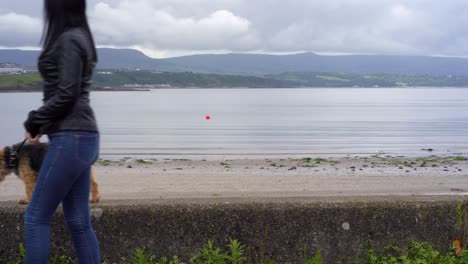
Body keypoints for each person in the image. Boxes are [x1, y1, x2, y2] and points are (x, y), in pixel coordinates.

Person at [23, 0, 100, 263]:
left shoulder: (68, 39)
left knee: (35, 217)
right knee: (78, 221)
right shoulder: (81, 37)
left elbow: (67, 94)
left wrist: (34, 121)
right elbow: (68, 93)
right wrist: (43, 125)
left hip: (71, 137)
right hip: (83, 138)